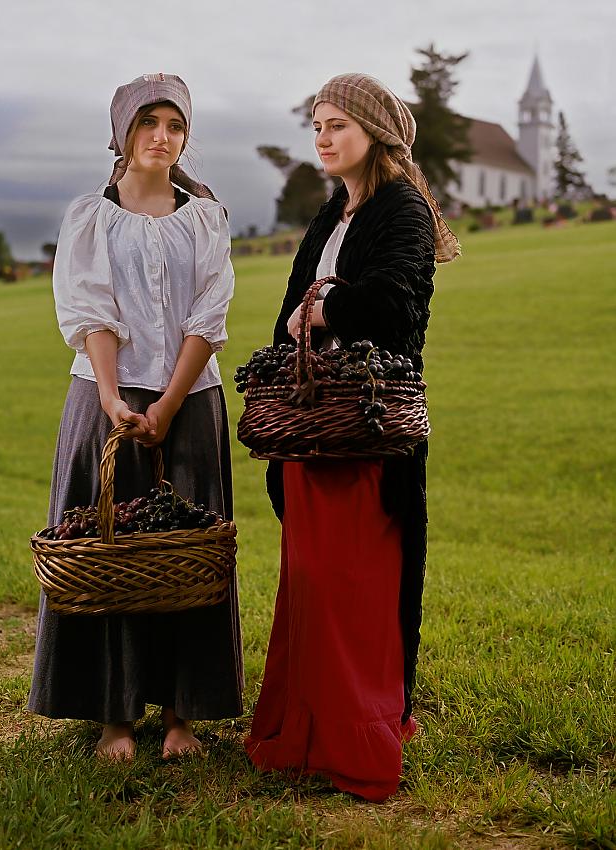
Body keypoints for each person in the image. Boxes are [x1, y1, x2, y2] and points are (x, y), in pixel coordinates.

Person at [244, 73, 460, 801]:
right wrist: (304, 319)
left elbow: (398, 306)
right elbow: (286, 316)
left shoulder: (401, 207)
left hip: (368, 431)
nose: (323, 137)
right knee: (311, 581)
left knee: (357, 585)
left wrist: (326, 307)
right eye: (316, 125)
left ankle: (360, 730)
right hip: (315, 426)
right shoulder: (334, 211)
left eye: (337, 123)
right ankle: (306, 730)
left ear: (374, 132)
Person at [28, 73, 243, 761]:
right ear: (122, 133)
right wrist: (115, 399)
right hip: (104, 398)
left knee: (187, 558)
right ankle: (114, 716)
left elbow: (209, 317)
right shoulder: (89, 215)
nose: (163, 136)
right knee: (112, 553)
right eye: (148, 122)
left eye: (175, 125)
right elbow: (91, 310)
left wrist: (171, 403)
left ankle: (183, 714)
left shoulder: (207, 216)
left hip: (192, 398)